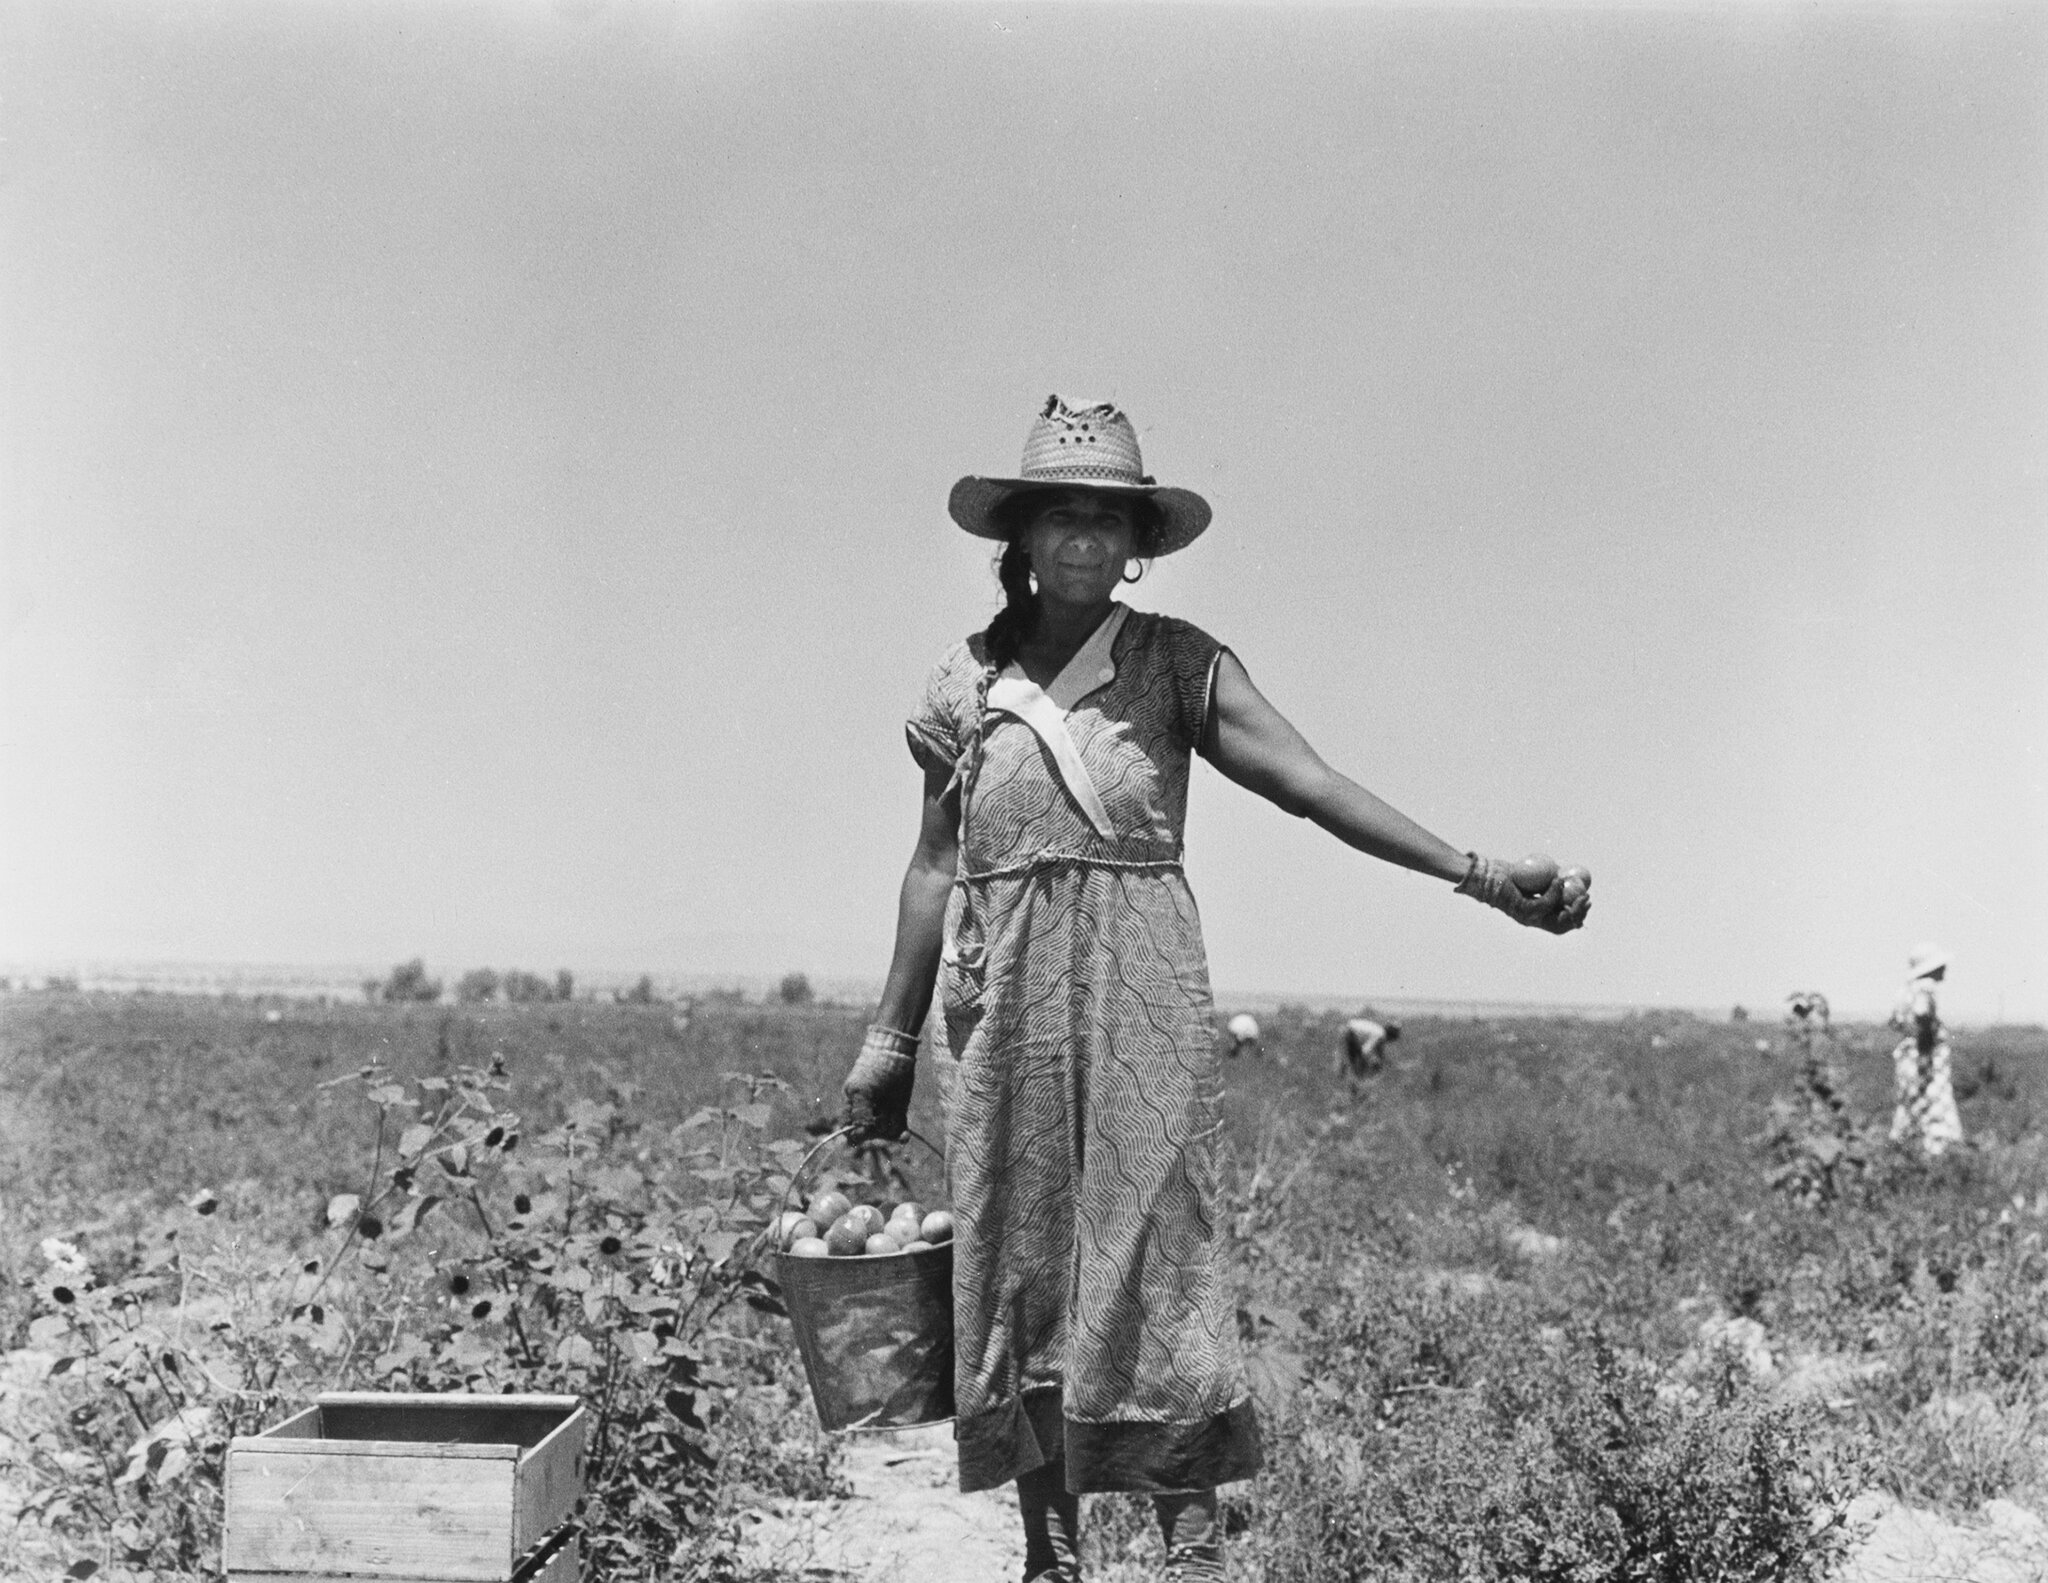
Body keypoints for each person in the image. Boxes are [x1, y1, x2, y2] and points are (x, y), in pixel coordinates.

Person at [839, 396, 1591, 1583]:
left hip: (1138, 979)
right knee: (1013, 1253)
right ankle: (1048, 1552)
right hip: (997, 995)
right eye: (1059, 515)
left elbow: (1309, 782)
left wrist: (1477, 872)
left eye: (1106, 519)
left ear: (1135, 544)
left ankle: (1188, 1547)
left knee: (1153, 1243)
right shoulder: (959, 685)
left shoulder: (1178, 663)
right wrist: (887, 1041)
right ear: (1019, 537)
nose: (1082, 537)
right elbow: (934, 864)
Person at [1888, 942, 1962, 1156]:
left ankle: (1905, 1149)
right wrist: (1925, 1044)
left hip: (1908, 1057)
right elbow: (1922, 1014)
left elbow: (1894, 1021)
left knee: (1910, 1103)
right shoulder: (1926, 988)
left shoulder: (1905, 991)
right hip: (1925, 1056)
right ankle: (1934, 1155)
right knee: (1934, 1104)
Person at [1338, 1013, 1401, 1085]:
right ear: (1390, 1037)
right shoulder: (1380, 1035)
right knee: (1357, 1061)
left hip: (1348, 1029)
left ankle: (1348, 1077)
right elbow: (1365, 1051)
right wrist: (1375, 1063)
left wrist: (1382, 1060)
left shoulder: (1380, 1030)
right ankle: (1355, 1081)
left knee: (1352, 1060)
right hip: (1349, 1033)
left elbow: (1379, 1050)